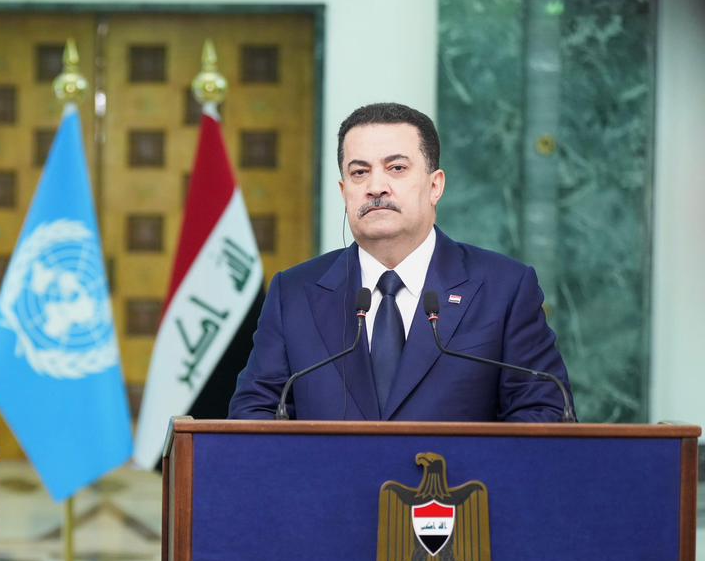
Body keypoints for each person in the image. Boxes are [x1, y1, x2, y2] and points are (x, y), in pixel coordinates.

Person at [229, 102, 570, 422]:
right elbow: (254, 413)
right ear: (344, 190)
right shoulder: (294, 293)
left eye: (396, 168)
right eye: (359, 172)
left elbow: (544, 413)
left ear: (435, 186)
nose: (376, 186)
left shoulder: (504, 288)